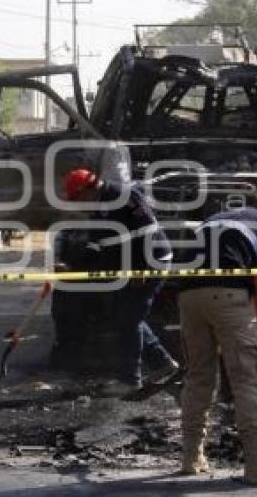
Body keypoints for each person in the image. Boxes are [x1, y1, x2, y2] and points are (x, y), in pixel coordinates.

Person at [176, 207, 257, 485]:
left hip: (187, 294)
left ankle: (191, 457)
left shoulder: (214, 220)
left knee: (198, 376)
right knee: (246, 378)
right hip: (227, 291)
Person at [61, 168, 179, 394]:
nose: (78, 203)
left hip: (151, 263)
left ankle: (130, 379)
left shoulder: (125, 196)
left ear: (89, 188)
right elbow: (96, 246)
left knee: (129, 319)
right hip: (128, 267)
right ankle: (163, 363)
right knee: (126, 317)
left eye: (78, 198)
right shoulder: (97, 209)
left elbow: (148, 231)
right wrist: (71, 265)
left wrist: (141, 268)